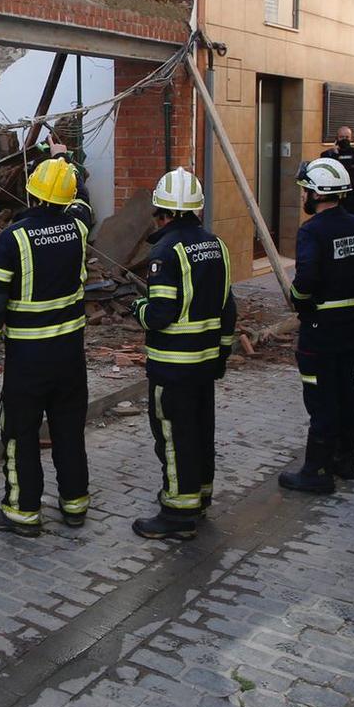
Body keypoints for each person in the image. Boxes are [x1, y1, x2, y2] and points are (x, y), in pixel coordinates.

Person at [0, 157, 94, 537]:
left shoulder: (12, 238)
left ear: (30, 192)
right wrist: (69, 161)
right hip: (70, 356)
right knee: (68, 429)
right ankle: (75, 504)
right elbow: (82, 204)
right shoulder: (77, 228)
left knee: (20, 432)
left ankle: (23, 511)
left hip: (29, 358)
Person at [277, 158, 354, 494]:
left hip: (320, 328)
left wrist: (298, 299)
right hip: (351, 326)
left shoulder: (312, 231)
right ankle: (344, 461)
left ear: (316, 194)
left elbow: (306, 279)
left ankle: (316, 472)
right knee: (347, 391)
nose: (303, 195)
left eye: (305, 190)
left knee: (320, 399)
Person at [131, 169, 236, 541]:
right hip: (205, 363)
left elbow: (159, 314)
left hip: (173, 366)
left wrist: (138, 309)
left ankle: (177, 512)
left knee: (174, 437)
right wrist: (222, 355)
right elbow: (229, 308)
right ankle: (200, 496)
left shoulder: (165, 251)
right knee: (201, 431)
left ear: (163, 212)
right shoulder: (217, 245)